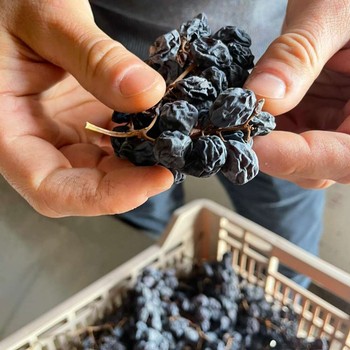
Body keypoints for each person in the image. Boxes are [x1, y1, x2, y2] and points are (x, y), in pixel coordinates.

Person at [1, 0, 350, 287]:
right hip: (108, 81)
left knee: (287, 242)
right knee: (143, 214)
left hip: (287, 83)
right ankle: (164, 282)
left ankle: (284, 295)